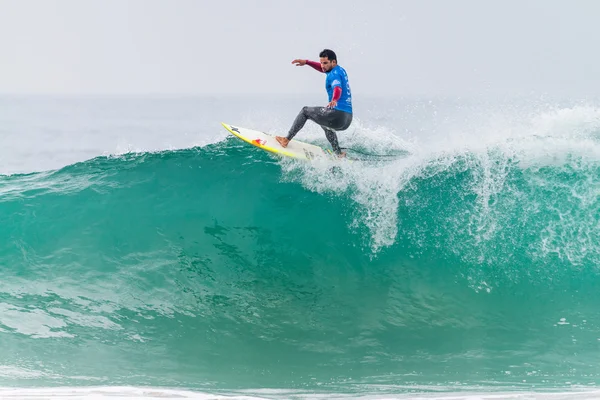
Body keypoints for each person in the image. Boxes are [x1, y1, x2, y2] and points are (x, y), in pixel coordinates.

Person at [275, 49, 353, 157]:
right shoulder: (340, 70)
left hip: (337, 115)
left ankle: (286, 139)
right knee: (324, 123)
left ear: (333, 62)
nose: (322, 65)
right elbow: (322, 69)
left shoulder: (333, 75)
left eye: (325, 63)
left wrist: (334, 99)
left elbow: (337, 88)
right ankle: (338, 153)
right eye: (321, 62)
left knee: (305, 111)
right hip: (347, 118)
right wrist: (306, 62)